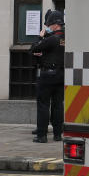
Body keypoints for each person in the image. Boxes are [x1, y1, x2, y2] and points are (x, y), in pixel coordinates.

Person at [32, 10, 65, 143]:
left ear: (56, 25)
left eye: (50, 24)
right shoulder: (66, 38)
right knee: (58, 105)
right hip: (61, 75)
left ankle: (42, 135)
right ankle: (57, 135)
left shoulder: (52, 39)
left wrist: (40, 37)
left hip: (47, 76)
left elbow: (34, 48)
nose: (48, 27)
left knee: (43, 105)